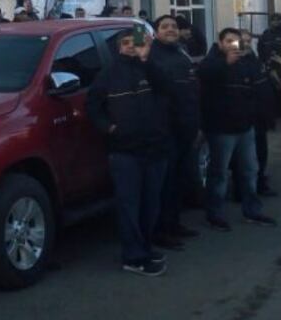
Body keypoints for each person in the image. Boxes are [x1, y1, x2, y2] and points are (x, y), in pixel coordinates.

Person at [86, 29, 170, 276]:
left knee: (151, 204)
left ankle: (145, 248)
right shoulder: (108, 74)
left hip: (154, 147)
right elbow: (92, 105)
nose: (131, 47)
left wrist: (147, 60)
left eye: (135, 42)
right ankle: (133, 257)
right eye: (125, 43)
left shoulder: (148, 68)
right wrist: (109, 128)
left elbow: (165, 88)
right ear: (118, 47)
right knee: (129, 206)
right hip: (124, 152)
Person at [199, 28, 276, 230]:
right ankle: (215, 215)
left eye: (237, 42)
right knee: (219, 173)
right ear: (220, 43)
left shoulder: (246, 62)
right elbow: (205, 76)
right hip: (221, 129)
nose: (234, 45)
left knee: (250, 170)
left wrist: (258, 115)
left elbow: (256, 89)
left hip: (245, 127)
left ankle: (252, 210)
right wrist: (226, 63)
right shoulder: (212, 61)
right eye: (229, 41)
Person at [148, 15, 201, 250]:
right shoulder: (151, 55)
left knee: (180, 179)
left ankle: (174, 223)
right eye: (165, 27)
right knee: (164, 184)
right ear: (156, 31)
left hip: (185, 126)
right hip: (164, 128)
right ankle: (160, 230)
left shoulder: (181, 52)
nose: (170, 30)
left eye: (174, 27)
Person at [239, 30, 278, 196]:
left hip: (260, 116)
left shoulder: (254, 60)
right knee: (244, 157)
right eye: (243, 41)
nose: (247, 44)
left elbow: (264, 88)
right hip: (244, 118)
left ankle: (260, 183)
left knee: (261, 152)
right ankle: (244, 189)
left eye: (249, 41)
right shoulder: (232, 63)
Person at [258, 13, 281, 119]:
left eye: (278, 20)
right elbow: (261, 49)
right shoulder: (266, 34)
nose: (275, 22)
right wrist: (264, 61)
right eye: (273, 20)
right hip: (271, 66)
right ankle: (279, 111)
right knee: (275, 89)